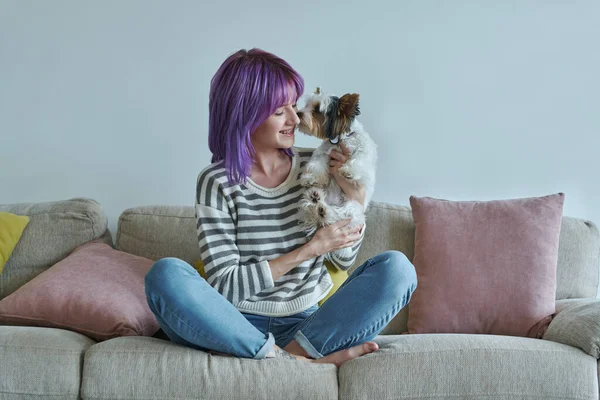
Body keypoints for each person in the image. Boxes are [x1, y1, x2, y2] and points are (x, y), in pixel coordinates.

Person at [144, 48, 417, 367]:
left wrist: (354, 198)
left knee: (397, 269)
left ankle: (285, 355)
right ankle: (292, 359)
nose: (295, 118)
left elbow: (342, 259)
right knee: (165, 274)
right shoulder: (216, 181)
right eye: (279, 111)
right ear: (246, 114)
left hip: (309, 327)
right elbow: (225, 287)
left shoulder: (316, 164)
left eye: (293, 104)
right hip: (232, 325)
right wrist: (308, 250)